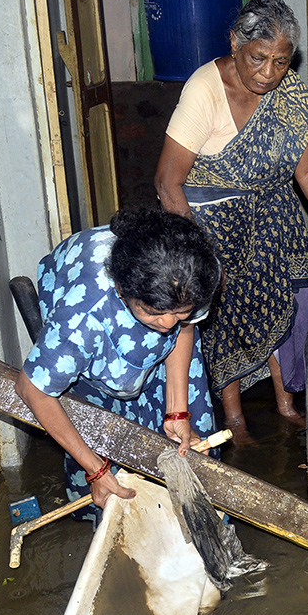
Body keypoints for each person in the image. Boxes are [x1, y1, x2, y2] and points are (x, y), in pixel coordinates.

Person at [154, 0, 308, 440]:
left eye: (281, 61)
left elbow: (304, 167)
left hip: (272, 219)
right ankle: (234, 416)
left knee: (291, 300)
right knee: (227, 315)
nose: (269, 73)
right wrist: (198, 256)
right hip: (212, 225)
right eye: (258, 58)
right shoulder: (203, 91)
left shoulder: (287, 94)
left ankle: (284, 400)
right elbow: (166, 181)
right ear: (235, 42)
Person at [15, 208, 221, 510]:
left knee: (190, 436)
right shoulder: (82, 318)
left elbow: (184, 328)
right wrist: (96, 469)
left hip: (147, 296)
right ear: (123, 292)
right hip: (94, 321)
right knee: (101, 431)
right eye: (153, 312)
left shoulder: (193, 272)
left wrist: (177, 412)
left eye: (178, 311)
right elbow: (32, 389)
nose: (167, 324)